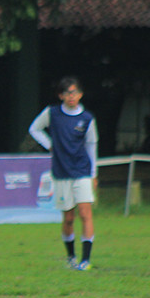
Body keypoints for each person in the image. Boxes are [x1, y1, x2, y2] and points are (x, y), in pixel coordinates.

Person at [29, 76, 99, 271]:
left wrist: (94, 173)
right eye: (67, 93)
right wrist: (50, 145)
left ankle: (86, 260)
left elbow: (91, 145)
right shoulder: (52, 113)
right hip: (62, 172)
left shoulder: (87, 118)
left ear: (80, 94)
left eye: (74, 92)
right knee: (68, 218)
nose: (71, 96)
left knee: (85, 213)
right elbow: (34, 129)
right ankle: (71, 257)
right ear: (61, 95)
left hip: (82, 171)